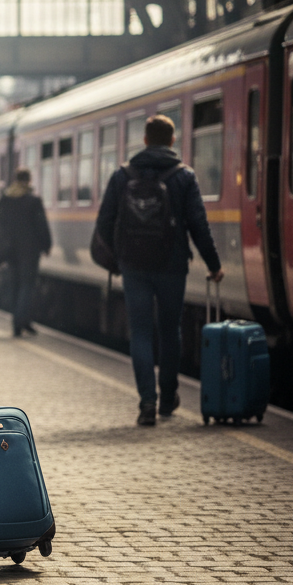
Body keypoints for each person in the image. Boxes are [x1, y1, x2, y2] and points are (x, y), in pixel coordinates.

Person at [95, 114, 222, 426]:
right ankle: (167, 399)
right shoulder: (184, 176)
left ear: (145, 140)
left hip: (134, 266)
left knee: (140, 331)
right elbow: (198, 224)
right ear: (173, 140)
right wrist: (214, 264)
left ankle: (147, 402)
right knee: (170, 330)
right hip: (172, 265)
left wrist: (117, 258)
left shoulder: (122, 175)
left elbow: (104, 223)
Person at [0, 168, 51, 337]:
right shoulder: (33, 201)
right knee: (27, 286)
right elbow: (41, 225)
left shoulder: (5, 200)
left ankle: (20, 322)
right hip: (29, 252)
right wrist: (46, 245)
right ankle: (20, 321)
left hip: (10, 251)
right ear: (28, 181)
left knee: (15, 286)